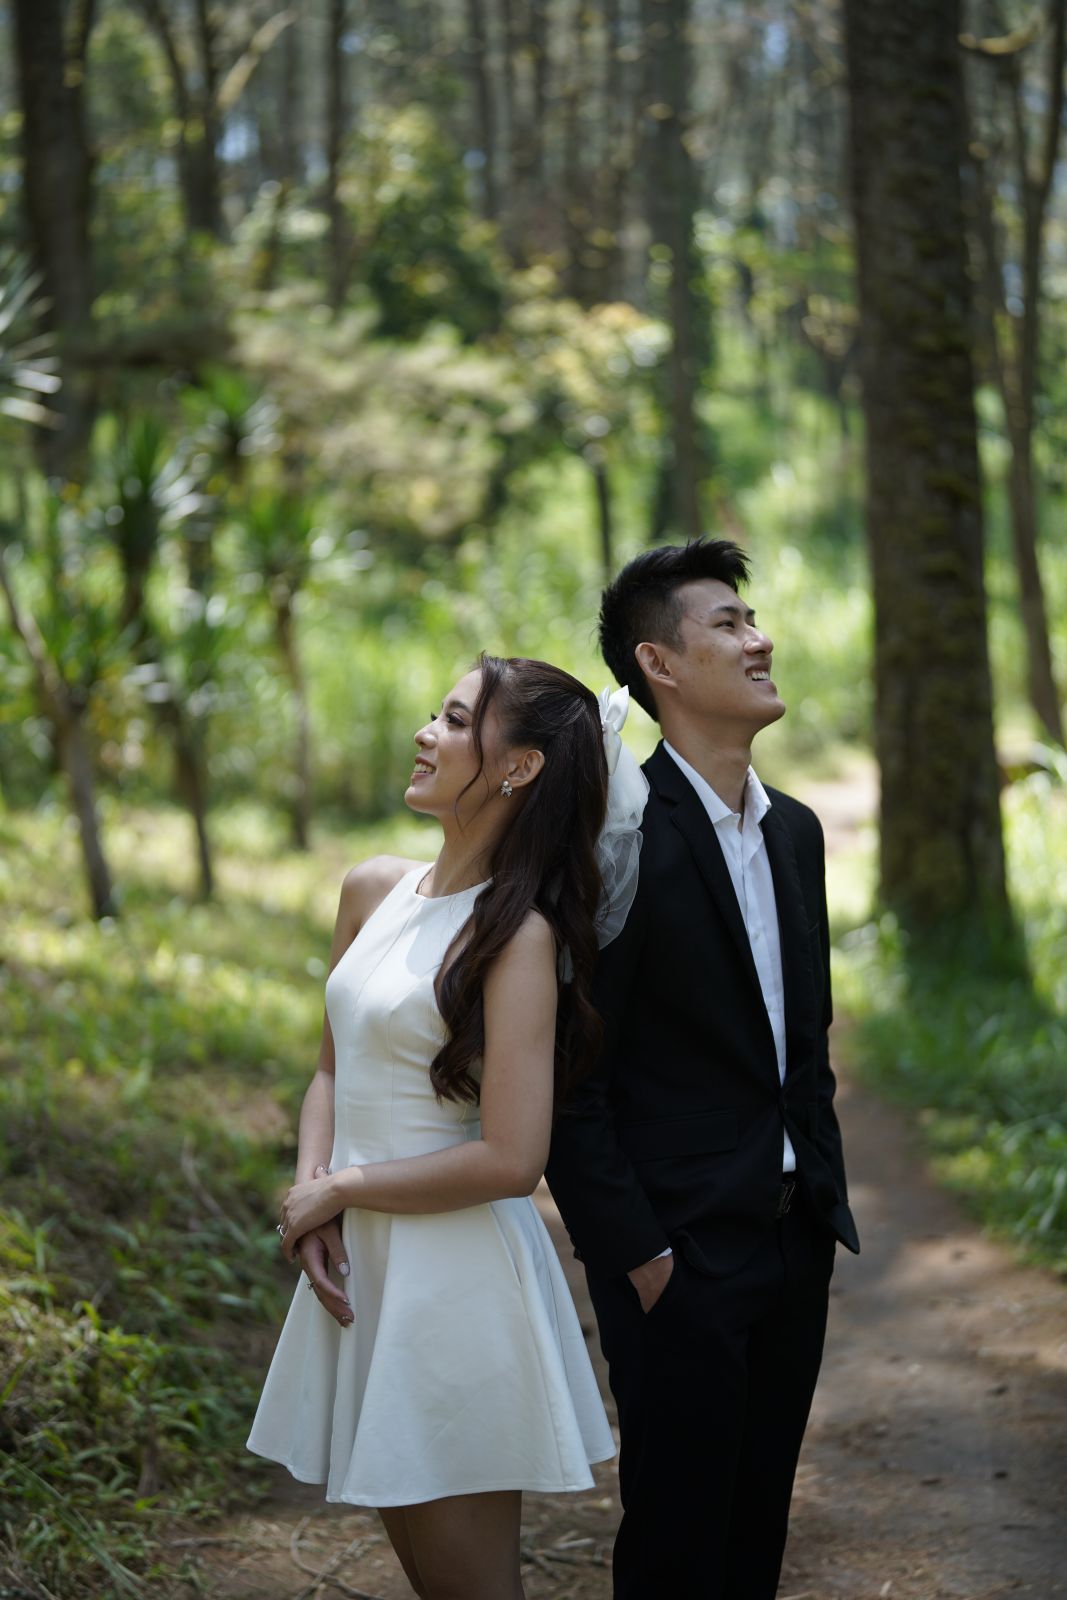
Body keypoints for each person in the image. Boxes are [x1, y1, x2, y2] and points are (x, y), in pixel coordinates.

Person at [248, 653, 620, 1600]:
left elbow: (511, 1159)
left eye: (455, 721)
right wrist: (312, 1197)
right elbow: (331, 1066)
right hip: (362, 1264)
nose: (425, 734)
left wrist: (341, 1188)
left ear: (519, 766)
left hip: (453, 1284)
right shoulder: (371, 888)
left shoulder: (516, 937)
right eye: (435, 714)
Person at [545, 539, 860, 1600]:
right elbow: (570, 1079)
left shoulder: (796, 833)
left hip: (792, 1240)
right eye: (726, 623)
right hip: (676, 1254)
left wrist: (818, 1201)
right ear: (658, 664)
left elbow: (804, 1045)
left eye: (750, 618)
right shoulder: (612, 835)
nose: (757, 639)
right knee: (676, 1541)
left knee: (755, 1528)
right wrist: (637, 1255)